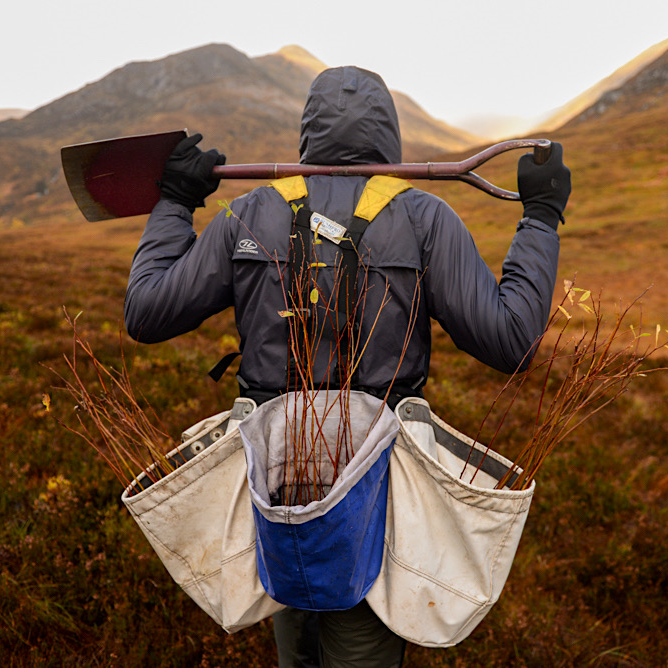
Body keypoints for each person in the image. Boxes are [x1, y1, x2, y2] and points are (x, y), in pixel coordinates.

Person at [124, 66, 570, 668]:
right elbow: (511, 340)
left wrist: (175, 204)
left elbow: (147, 313)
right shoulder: (424, 218)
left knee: (296, 637)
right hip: (379, 490)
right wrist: (540, 217)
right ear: (390, 134)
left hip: (276, 489)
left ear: (308, 132)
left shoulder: (249, 213)